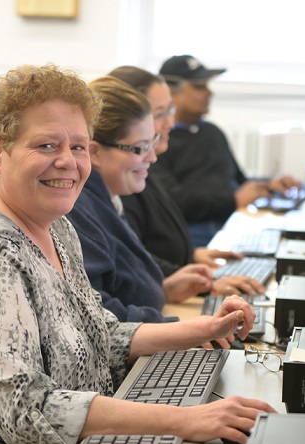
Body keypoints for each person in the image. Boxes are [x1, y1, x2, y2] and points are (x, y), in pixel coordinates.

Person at [0, 64, 276, 444]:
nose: (67, 161)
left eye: (79, 147)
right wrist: (186, 420)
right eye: (46, 145)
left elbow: (98, 332)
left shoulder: (55, 226)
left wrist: (202, 329)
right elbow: (26, 410)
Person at [66, 76, 219, 323]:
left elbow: (121, 287)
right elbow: (99, 317)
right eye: (140, 148)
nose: (153, 158)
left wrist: (165, 289)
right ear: (94, 152)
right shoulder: (77, 209)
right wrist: (183, 330)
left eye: (152, 144)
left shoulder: (108, 199)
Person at [110, 65, 266, 296]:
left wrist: (191, 255)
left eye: (169, 111)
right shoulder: (120, 182)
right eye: (160, 113)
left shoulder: (208, 134)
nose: (170, 123)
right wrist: (203, 284)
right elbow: (128, 260)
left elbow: (137, 252)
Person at [153, 54, 300, 247]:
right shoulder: (159, 140)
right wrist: (232, 201)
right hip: (194, 229)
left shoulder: (212, 132)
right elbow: (171, 201)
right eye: (199, 86)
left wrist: (268, 185)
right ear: (171, 92)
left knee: (284, 241)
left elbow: (238, 180)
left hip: (230, 218)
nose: (209, 93)